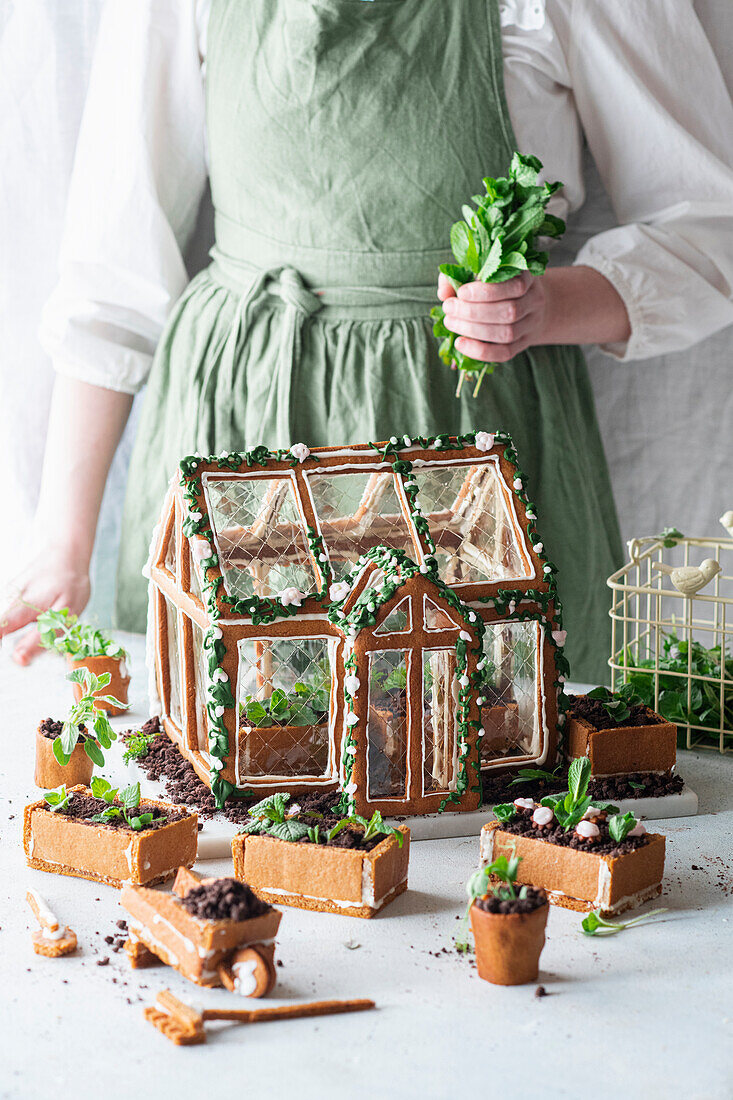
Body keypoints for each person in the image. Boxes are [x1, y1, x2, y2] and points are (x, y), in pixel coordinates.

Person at [3, 0, 733, 682]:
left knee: (489, 755)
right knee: (227, 758)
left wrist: (545, 307)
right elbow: (115, 276)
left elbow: (706, 227)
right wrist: (63, 542)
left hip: (468, 442)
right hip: (238, 430)